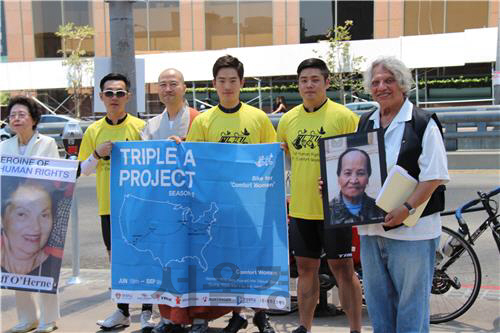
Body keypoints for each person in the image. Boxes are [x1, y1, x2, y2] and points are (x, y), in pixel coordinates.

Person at [357, 56, 449, 332]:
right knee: (378, 306)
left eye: (389, 80)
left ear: (403, 83)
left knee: (411, 307)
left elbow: (433, 177)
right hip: (372, 230)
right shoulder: (366, 122)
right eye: (375, 82)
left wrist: (406, 209)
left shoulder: (423, 123)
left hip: (412, 232)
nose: (382, 87)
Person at [186, 55, 276, 333]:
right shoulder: (203, 121)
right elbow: (193, 161)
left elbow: (270, 159)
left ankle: (262, 314)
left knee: (257, 259)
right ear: (214, 84)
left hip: (252, 205)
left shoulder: (258, 118)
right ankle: (236, 314)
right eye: (222, 81)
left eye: (232, 81)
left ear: (242, 83)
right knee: (230, 261)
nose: (227, 86)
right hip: (219, 207)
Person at [276, 58, 362, 333]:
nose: (309, 85)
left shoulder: (345, 117)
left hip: (337, 207)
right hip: (301, 208)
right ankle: (304, 326)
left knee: (343, 269)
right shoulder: (288, 120)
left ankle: (356, 329)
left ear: (327, 83)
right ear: (298, 85)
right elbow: (283, 156)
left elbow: (362, 160)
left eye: (315, 79)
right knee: (305, 270)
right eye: (304, 80)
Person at [77, 73, 150, 331]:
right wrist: (98, 154)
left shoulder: (142, 128)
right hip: (109, 207)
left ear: (128, 97)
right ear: (101, 97)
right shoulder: (94, 130)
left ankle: (148, 312)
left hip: (139, 207)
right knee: (117, 261)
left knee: (145, 258)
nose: (115, 97)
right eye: (109, 93)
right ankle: (122, 311)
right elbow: (82, 170)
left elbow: (155, 163)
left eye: (120, 93)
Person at [0, 96, 60, 333]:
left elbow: (56, 177)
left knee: (46, 266)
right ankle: (27, 319)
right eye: (13, 115)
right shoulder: (4, 146)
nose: (16, 119)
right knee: (17, 264)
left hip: (41, 213)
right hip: (15, 216)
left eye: (21, 114)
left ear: (34, 119)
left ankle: (48, 319)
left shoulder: (47, 143)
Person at [329, 148, 385, 226]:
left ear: (368, 178)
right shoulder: (328, 211)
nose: (354, 180)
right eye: (347, 173)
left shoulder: (380, 210)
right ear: (339, 178)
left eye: (360, 173)